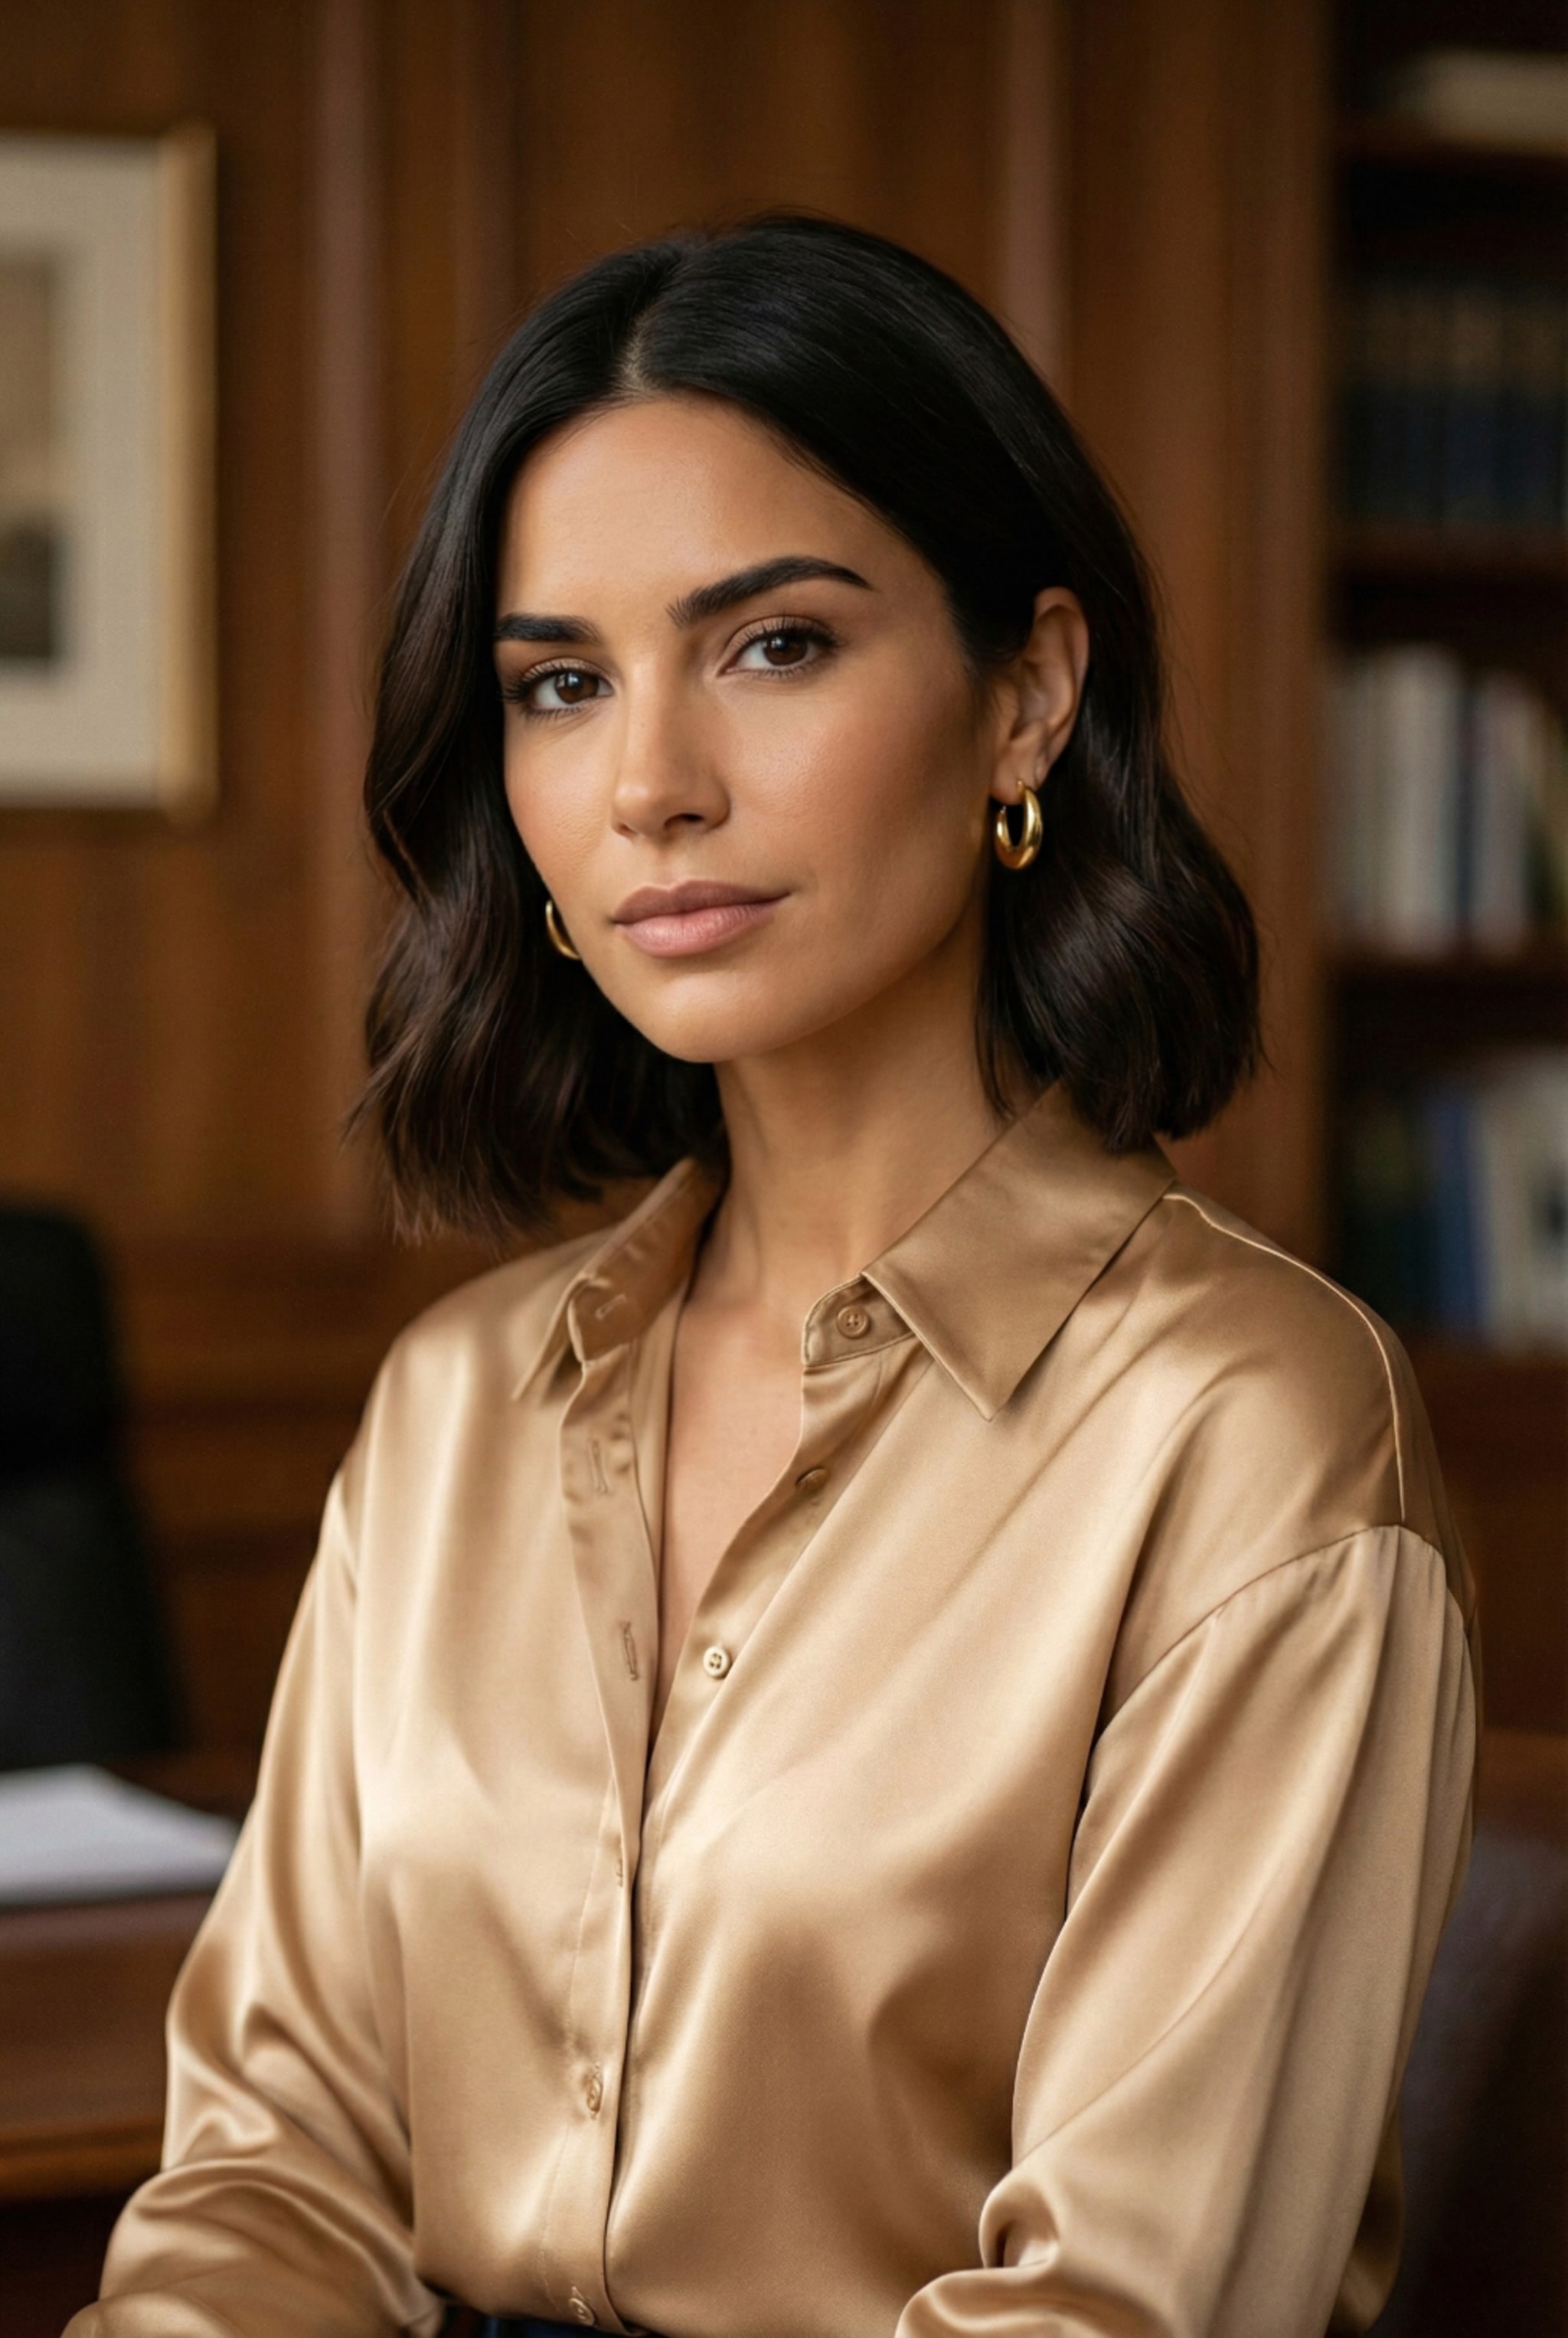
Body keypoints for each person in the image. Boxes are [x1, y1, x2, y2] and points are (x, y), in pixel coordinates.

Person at [71, 216, 1476, 2338]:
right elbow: (276, 2177)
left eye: (775, 645)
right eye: (561, 685)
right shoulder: (456, 1403)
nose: (651, 786)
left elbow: (1121, 2307)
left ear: (1027, 697)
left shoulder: (1252, 1435)